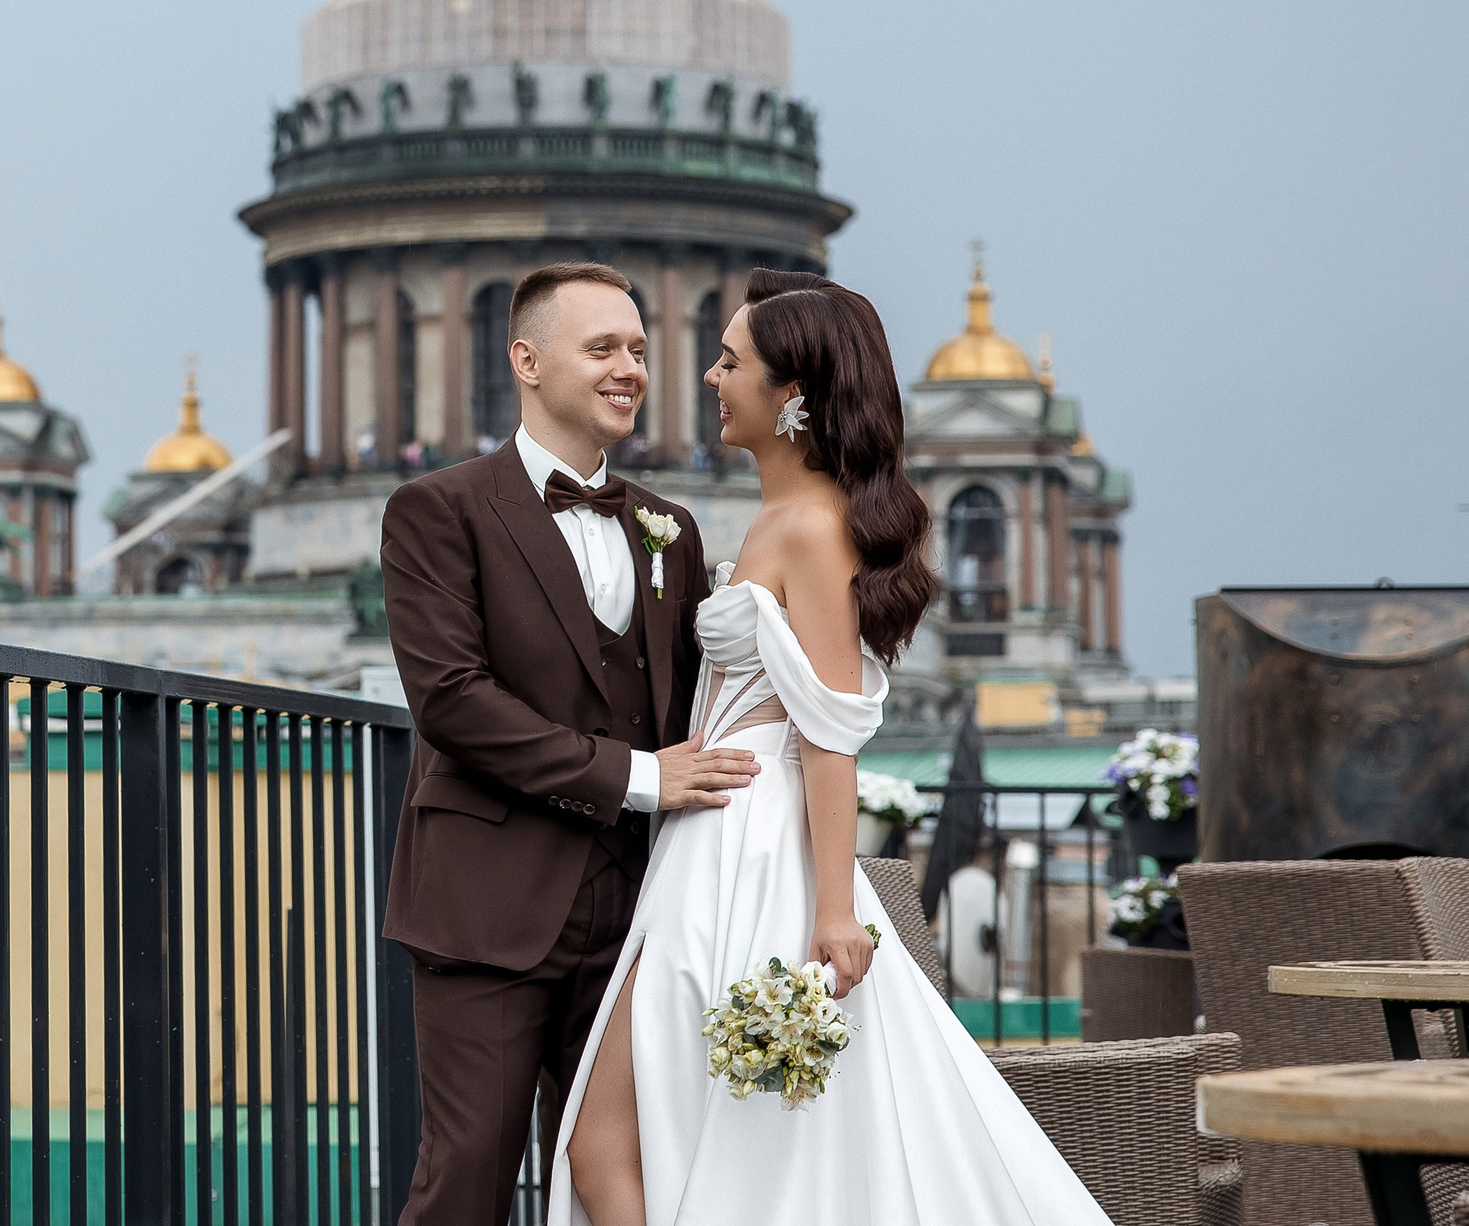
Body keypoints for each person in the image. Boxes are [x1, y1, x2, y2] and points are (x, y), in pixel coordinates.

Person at [549, 270, 1114, 1225]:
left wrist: (834, 912)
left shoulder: (810, 528)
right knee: (657, 1138)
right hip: (710, 840)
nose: (710, 376)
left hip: (751, 850)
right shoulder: (778, 518)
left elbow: (830, 732)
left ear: (792, 395)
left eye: (732, 361)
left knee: (625, 1141)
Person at [379, 262, 762, 1226]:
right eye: (602, 348)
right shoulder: (438, 509)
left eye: (638, 348)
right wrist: (641, 776)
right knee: (467, 1177)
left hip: (638, 914)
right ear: (526, 360)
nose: (630, 367)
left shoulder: (667, 526)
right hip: (489, 910)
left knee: (618, 1178)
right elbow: (453, 701)